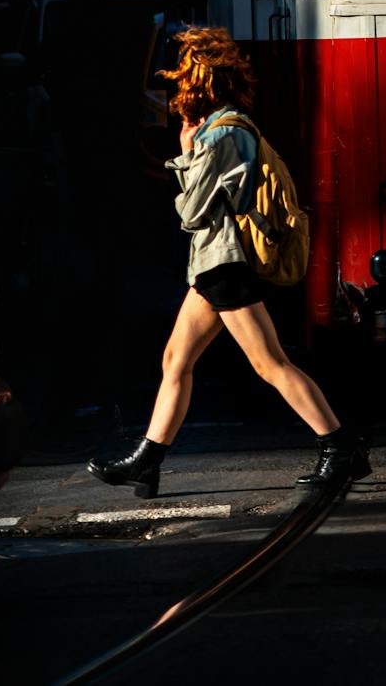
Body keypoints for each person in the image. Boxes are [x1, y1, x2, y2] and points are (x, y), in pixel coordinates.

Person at [87, 26, 369, 496]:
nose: (175, 92)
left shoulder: (221, 137)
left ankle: (340, 448)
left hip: (226, 264)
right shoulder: (230, 127)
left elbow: (192, 211)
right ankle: (148, 459)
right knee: (176, 359)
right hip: (212, 266)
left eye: (180, 83)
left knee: (269, 364)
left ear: (199, 84)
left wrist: (184, 153)